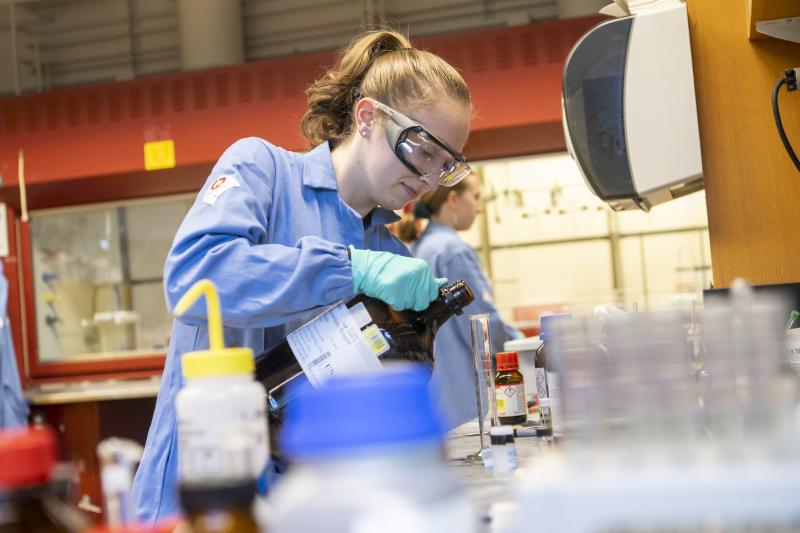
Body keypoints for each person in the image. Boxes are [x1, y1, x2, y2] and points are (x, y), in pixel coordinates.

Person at [131, 29, 474, 523]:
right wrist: (350, 269)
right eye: (422, 149)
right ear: (367, 117)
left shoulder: (388, 250)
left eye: (447, 166)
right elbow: (193, 277)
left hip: (313, 508)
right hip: (202, 502)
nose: (428, 178)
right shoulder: (262, 171)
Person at [401, 174, 520, 428]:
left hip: (437, 396)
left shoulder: (420, 247)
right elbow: (484, 325)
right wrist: (521, 345)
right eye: (476, 197)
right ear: (453, 199)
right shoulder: (453, 251)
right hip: (467, 398)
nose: (479, 207)